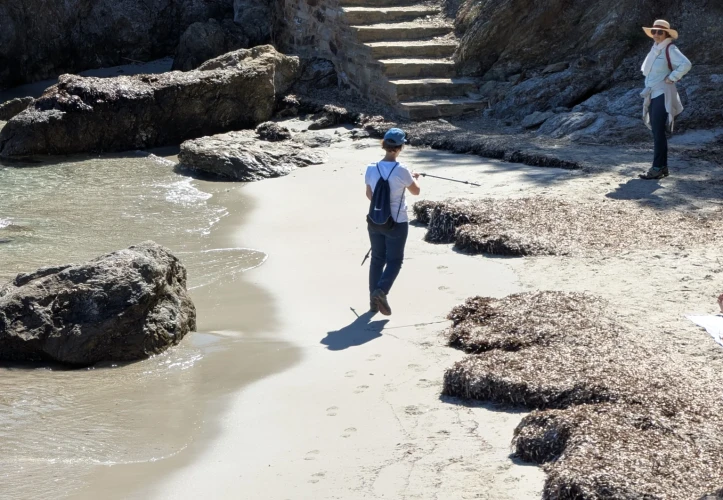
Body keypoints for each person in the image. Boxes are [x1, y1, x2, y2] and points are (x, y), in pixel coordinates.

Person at [365, 128, 421, 316]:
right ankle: (381, 291)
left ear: (384, 144)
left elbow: (369, 195)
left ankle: (373, 303)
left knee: (377, 259)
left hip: (375, 221)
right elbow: (416, 191)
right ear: (400, 147)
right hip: (397, 222)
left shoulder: (371, 168)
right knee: (395, 261)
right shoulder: (402, 170)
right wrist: (414, 178)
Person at [639, 19, 692, 180]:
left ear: (666, 34)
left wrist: (672, 77)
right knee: (657, 131)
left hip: (662, 93)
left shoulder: (670, 48)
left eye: (660, 32)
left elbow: (686, 64)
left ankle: (657, 168)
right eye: (654, 31)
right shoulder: (655, 49)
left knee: (658, 132)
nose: (656, 34)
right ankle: (662, 167)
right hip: (653, 93)